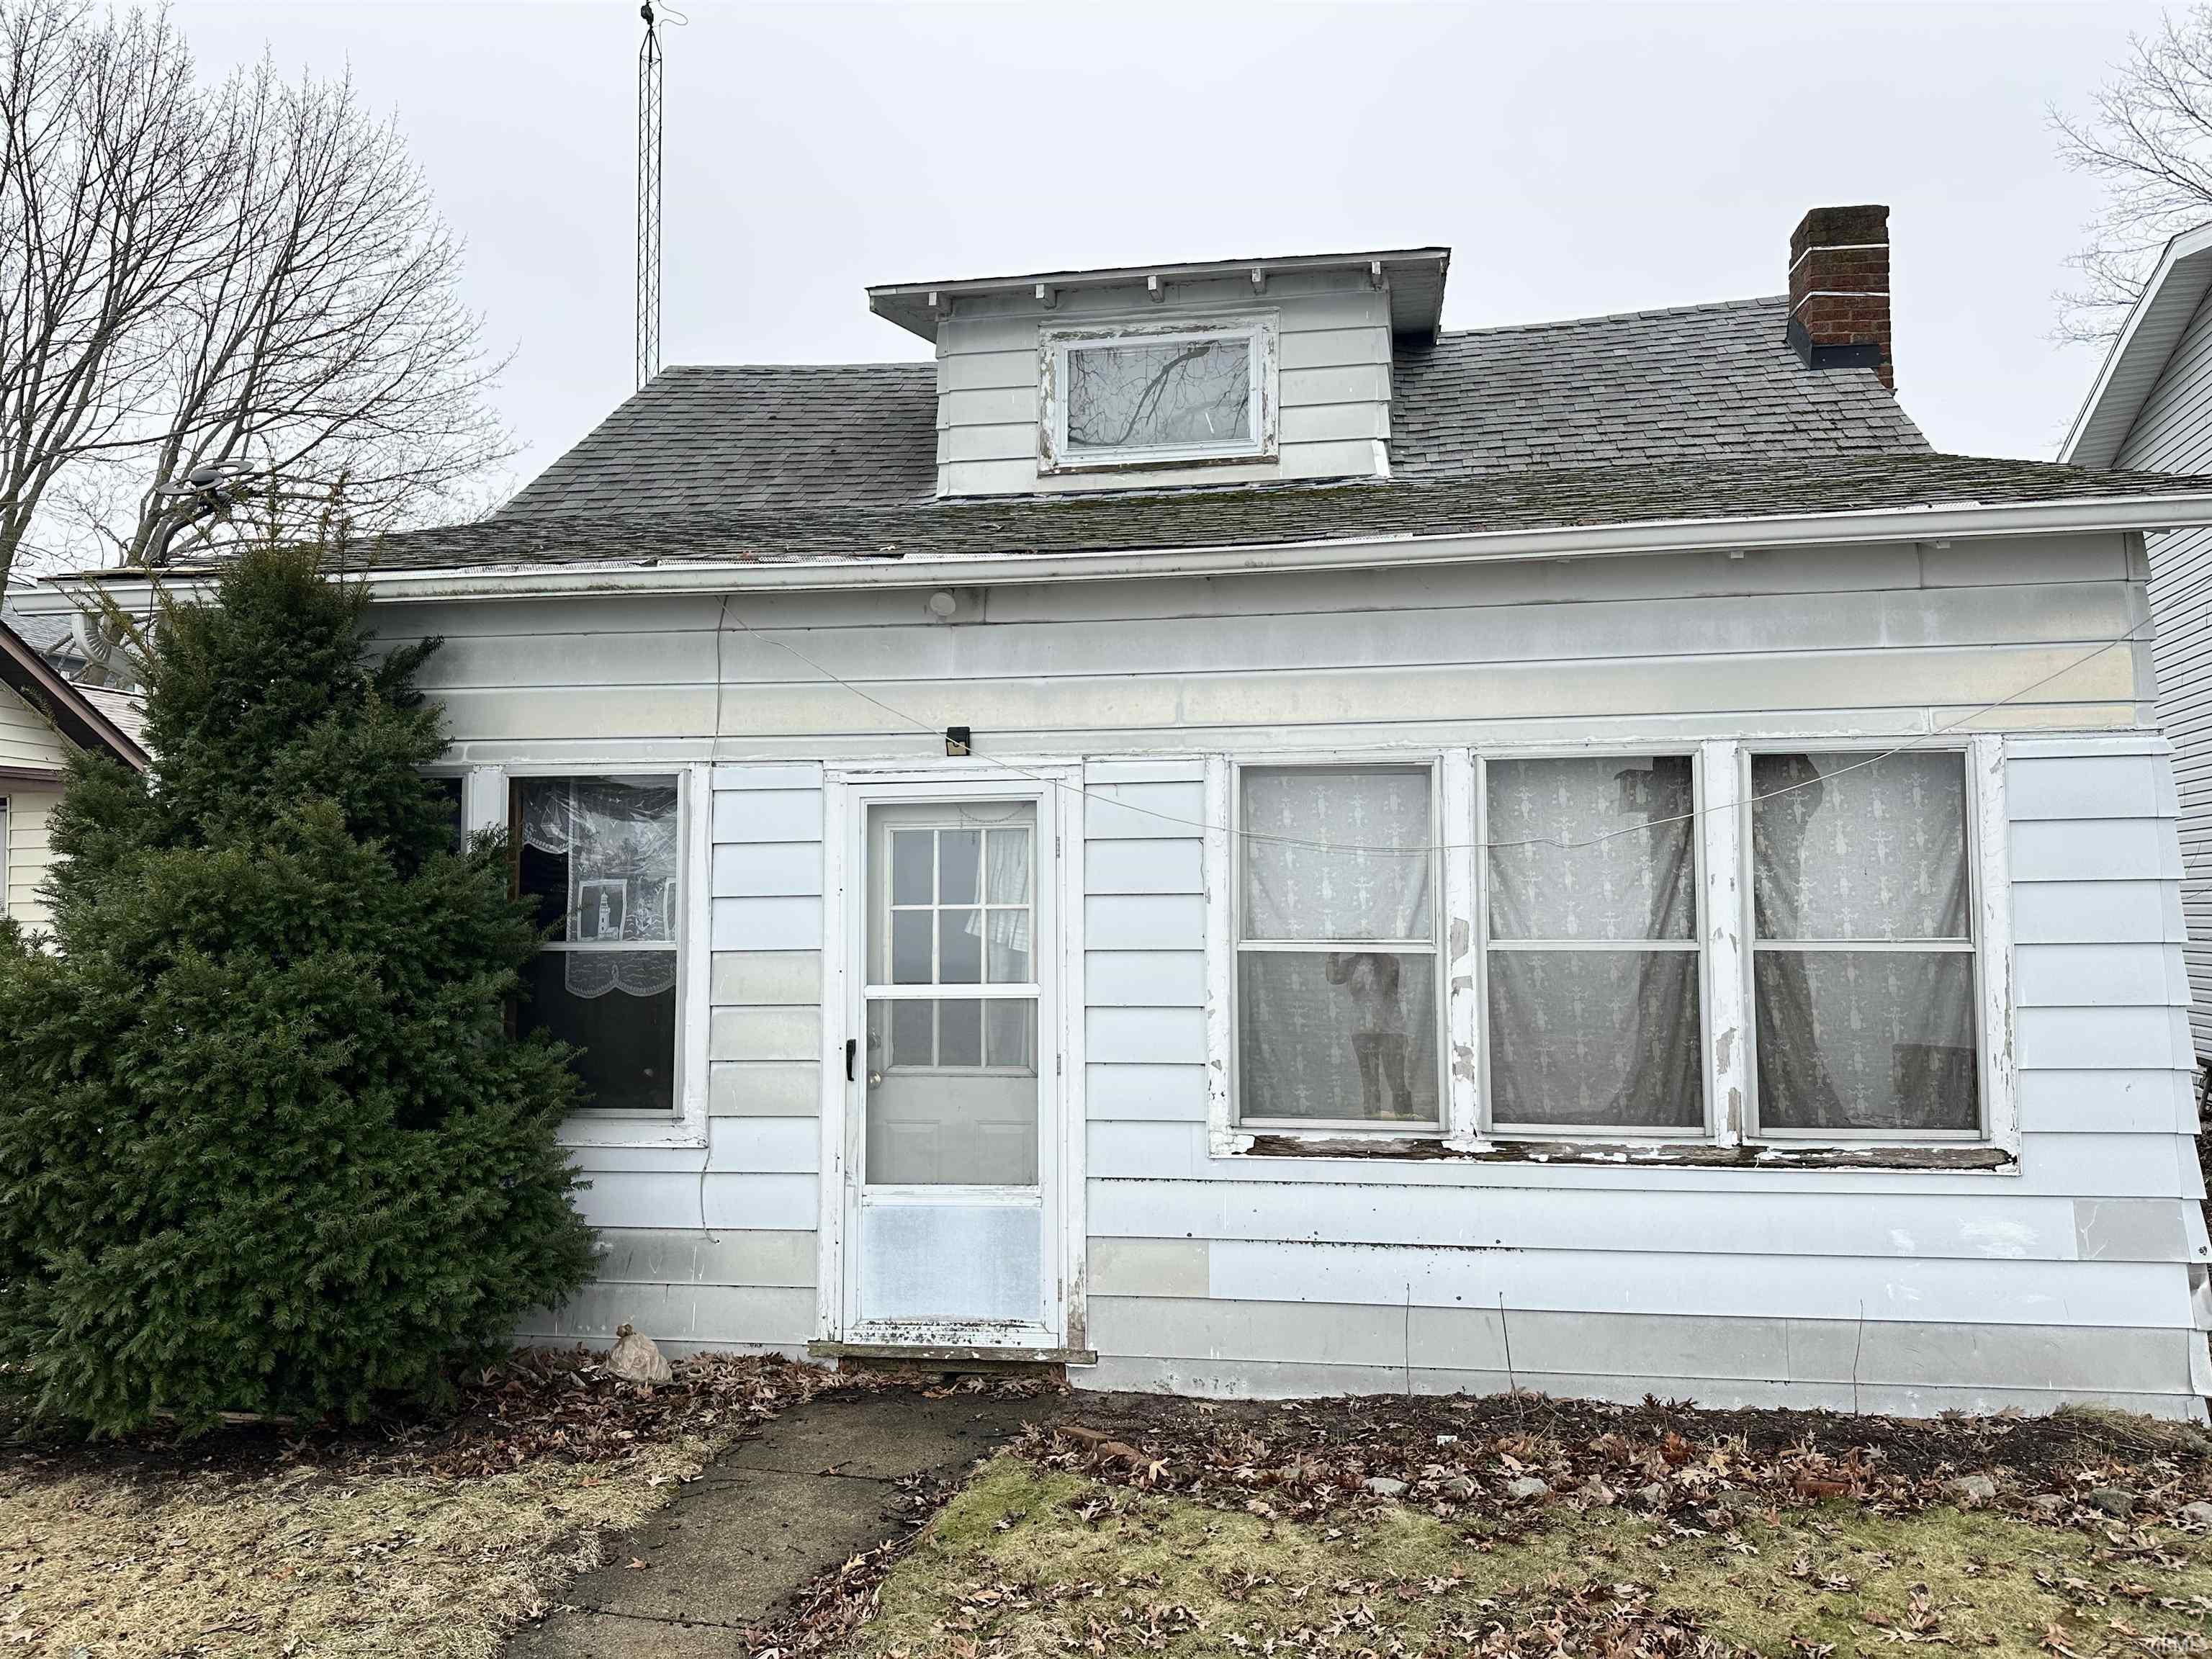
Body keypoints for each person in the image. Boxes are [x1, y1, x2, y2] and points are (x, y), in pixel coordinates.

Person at [1325, 950, 1416, 1118]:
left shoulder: (1389, 962)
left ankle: (1407, 1125)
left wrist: (1371, 962)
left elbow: (1389, 984)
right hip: (1362, 1030)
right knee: (1370, 1083)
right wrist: (1333, 954)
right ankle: (1373, 1126)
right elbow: (1334, 978)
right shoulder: (1351, 964)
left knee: (1397, 1081)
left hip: (1390, 1030)